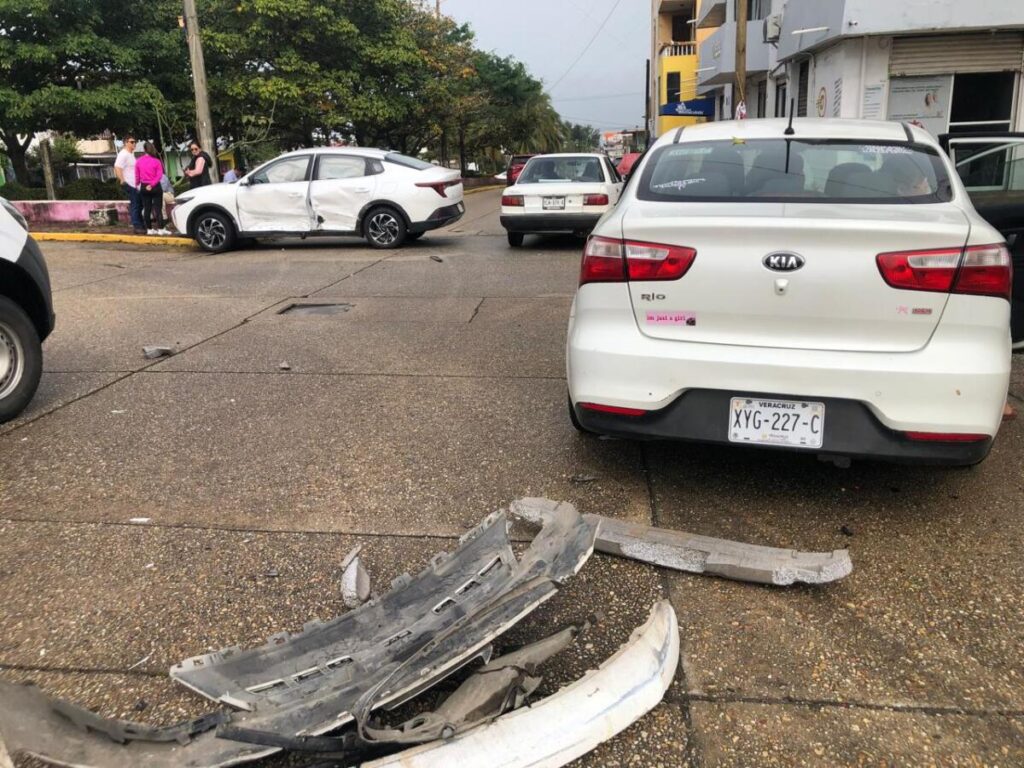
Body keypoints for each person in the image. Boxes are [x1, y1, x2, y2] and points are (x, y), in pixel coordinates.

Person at [135, 142, 170, 235]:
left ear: (144, 150)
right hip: (155, 187)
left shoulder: (138, 161)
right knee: (158, 209)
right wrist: (152, 184)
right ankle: (161, 229)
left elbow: (137, 176)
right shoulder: (156, 161)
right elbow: (159, 175)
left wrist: (137, 184)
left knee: (147, 209)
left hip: (144, 186)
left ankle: (149, 230)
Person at [113, 136, 145, 234]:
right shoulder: (123, 154)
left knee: (138, 204)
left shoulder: (131, 154)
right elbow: (117, 167)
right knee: (135, 204)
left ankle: (140, 224)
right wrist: (122, 180)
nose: (134, 144)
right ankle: (137, 226)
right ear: (126, 143)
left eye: (135, 142)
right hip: (129, 183)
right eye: (132, 142)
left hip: (135, 184)